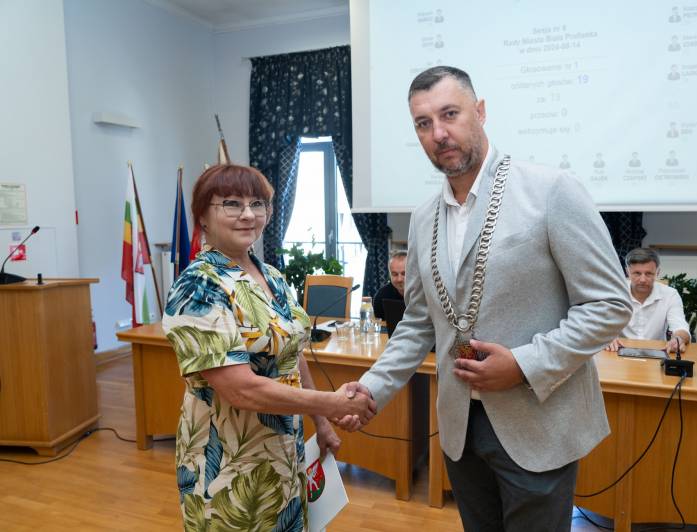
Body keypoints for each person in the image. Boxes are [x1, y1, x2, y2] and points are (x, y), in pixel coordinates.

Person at [336, 66, 632, 531]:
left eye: (450, 114)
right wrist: (371, 387)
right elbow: (419, 321)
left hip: (537, 423)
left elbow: (610, 304)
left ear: (480, 111)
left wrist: (523, 364)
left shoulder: (550, 190)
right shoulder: (423, 217)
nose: (439, 133)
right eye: (423, 123)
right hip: (460, 429)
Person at [162, 164, 376, 531]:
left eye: (257, 203)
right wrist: (332, 402)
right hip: (229, 463)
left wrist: (322, 422)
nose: (248, 214)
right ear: (202, 217)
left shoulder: (272, 276)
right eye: (232, 203)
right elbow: (240, 390)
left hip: (283, 451)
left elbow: (292, 354)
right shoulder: (198, 286)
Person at [607, 248, 691, 354]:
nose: (643, 280)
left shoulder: (670, 295)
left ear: (657, 272)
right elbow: (602, 323)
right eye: (637, 273)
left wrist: (678, 339)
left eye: (648, 274)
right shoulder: (614, 292)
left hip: (657, 353)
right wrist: (606, 337)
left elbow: (680, 326)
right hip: (618, 351)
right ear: (627, 272)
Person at [373, 250, 407, 320]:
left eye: (404, 274)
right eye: (395, 274)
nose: (399, 279)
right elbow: (379, 324)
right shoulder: (381, 296)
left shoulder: (424, 293)